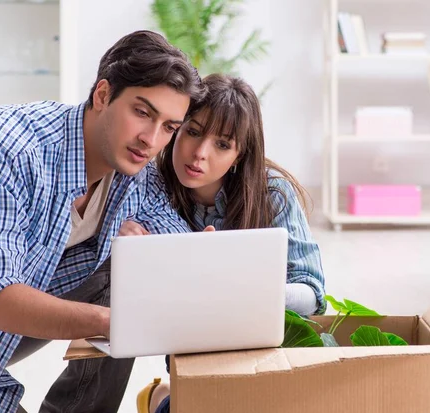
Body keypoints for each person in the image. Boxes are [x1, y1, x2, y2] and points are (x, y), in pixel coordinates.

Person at [0, 30, 206, 412]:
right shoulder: (0, 148)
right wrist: (112, 323)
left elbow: (175, 238)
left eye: (169, 128)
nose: (151, 140)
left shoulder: (135, 172)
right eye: (142, 112)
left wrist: (201, 257)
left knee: (128, 265)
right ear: (103, 95)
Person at [125, 73, 326, 413]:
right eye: (193, 132)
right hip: (188, 351)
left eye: (222, 144)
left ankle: (161, 398)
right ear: (176, 128)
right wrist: (131, 249)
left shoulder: (271, 193)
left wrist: (251, 293)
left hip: (257, 350)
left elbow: (313, 294)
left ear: (239, 155)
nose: (199, 154)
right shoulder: (146, 185)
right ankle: (167, 396)